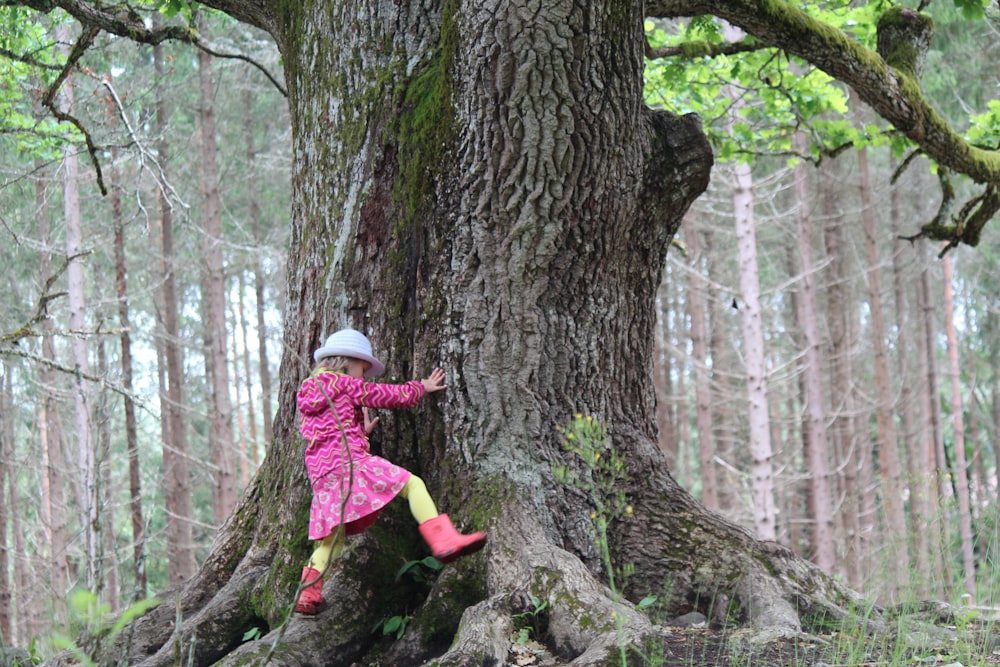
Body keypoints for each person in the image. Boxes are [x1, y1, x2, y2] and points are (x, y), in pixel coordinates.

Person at [294, 328, 487, 614]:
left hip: (323, 477)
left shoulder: (310, 391)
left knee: (332, 539)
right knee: (413, 485)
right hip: (351, 464)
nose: (363, 376)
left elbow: (324, 431)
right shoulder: (345, 382)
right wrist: (420, 387)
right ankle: (444, 539)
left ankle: (307, 595)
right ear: (347, 363)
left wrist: (359, 429)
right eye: (362, 369)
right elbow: (384, 395)